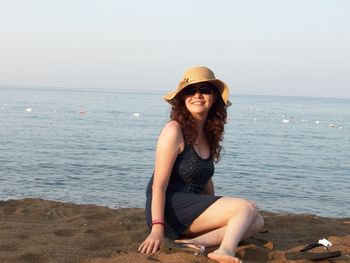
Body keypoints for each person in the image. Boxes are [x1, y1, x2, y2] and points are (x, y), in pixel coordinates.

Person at [138, 66, 264, 263]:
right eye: (190, 90)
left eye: (204, 90)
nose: (197, 95)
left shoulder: (208, 134)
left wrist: (218, 210)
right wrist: (157, 228)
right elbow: (158, 187)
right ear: (182, 98)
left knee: (256, 221)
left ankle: (193, 243)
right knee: (246, 207)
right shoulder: (173, 131)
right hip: (168, 209)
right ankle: (225, 251)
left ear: (213, 97)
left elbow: (204, 178)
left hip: (192, 208)